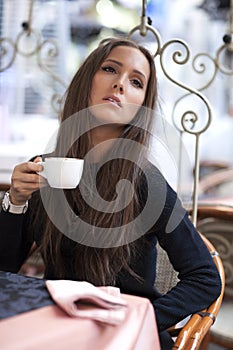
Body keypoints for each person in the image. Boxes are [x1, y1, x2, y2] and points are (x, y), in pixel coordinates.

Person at [0, 38, 221, 349]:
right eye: (109, 69)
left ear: (141, 105)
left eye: (135, 82)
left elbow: (205, 278)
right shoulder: (46, 170)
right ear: (86, 80)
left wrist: (140, 318)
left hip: (122, 338)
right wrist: (16, 202)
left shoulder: (145, 181)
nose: (119, 85)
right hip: (59, 330)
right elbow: (5, 267)